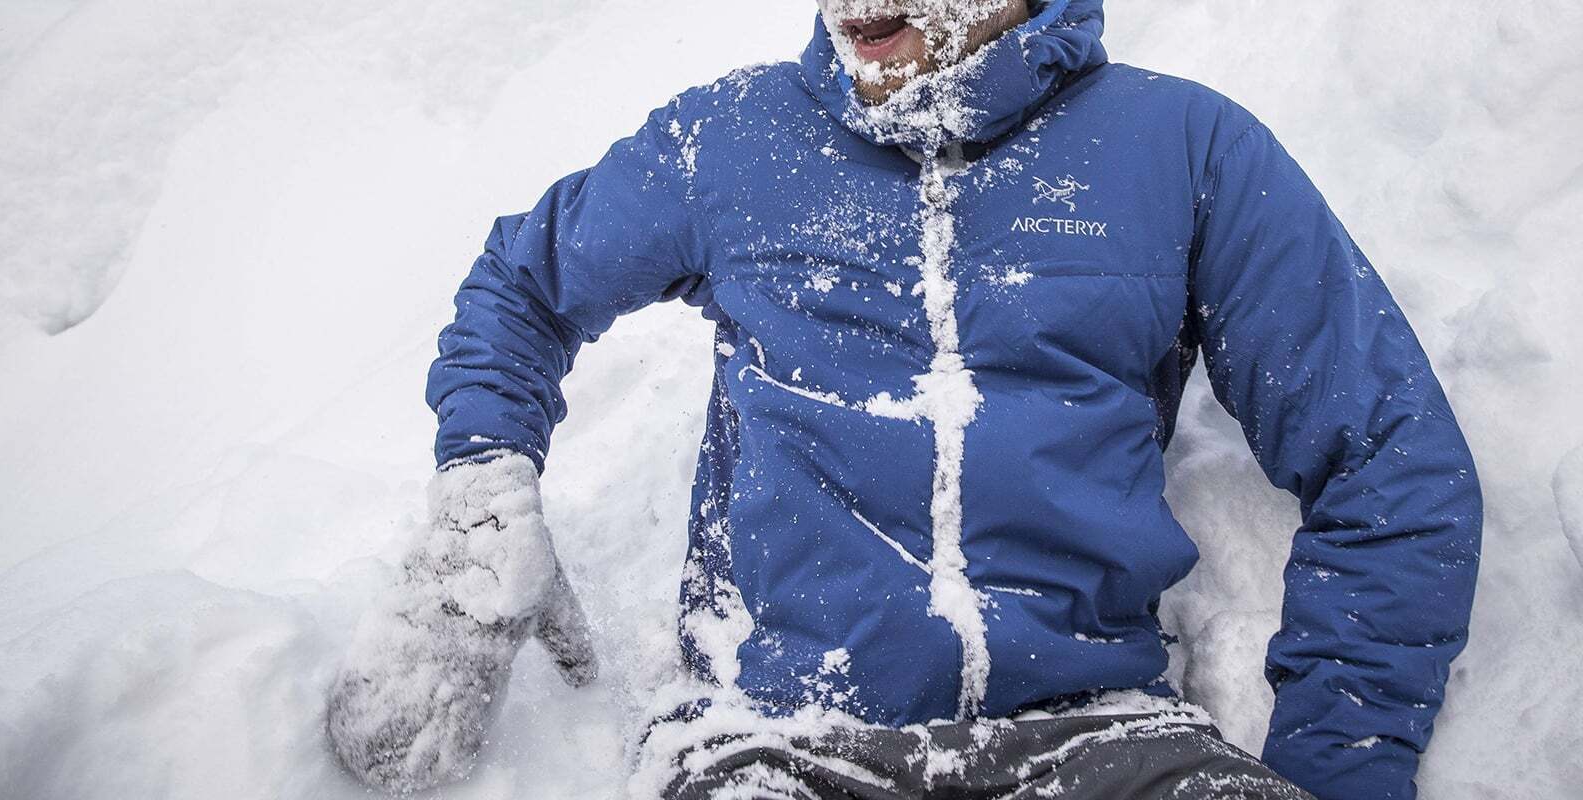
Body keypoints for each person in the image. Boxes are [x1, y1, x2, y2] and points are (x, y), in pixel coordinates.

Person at [325, 1, 1483, 798]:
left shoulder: (1181, 148)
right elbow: (522, 287)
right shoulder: (732, 143)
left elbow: (1387, 450)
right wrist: (482, 474)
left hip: (1099, 740)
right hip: (775, 740)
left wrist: (1335, 765)